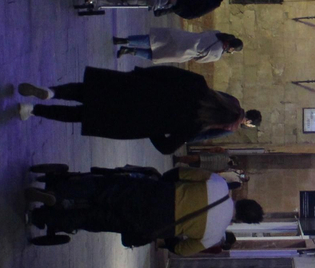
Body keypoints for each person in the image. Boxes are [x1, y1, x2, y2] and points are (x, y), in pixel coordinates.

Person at [27, 164, 265, 251]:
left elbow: (181, 172)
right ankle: (46, 217)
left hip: (156, 194)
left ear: (242, 199)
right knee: (98, 220)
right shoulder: (213, 236)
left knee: (104, 189)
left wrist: (165, 182)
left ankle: (57, 190)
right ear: (243, 221)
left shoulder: (219, 184)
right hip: (153, 224)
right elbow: (181, 250)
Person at [16, 69, 260, 153]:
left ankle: (51, 92)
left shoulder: (198, 84)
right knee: (81, 116)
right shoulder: (195, 125)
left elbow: (167, 72)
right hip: (131, 119)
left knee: (86, 91)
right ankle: (33, 109)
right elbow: (166, 148)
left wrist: (140, 76)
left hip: (136, 90)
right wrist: (152, 128)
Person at [115, 29, 243, 64]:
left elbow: (204, 33)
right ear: (231, 49)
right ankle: (129, 51)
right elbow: (199, 60)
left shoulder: (217, 33)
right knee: (155, 55)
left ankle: (124, 40)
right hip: (184, 52)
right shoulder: (216, 55)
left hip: (183, 37)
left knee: (153, 40)